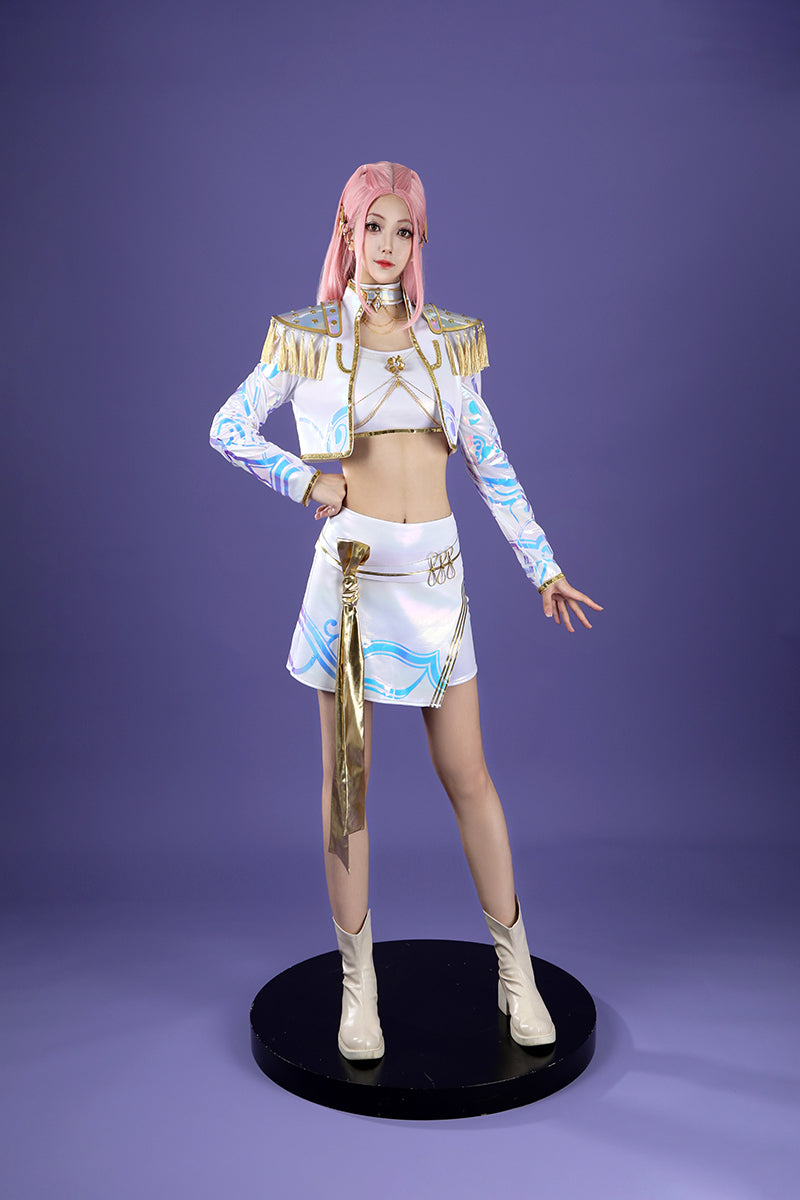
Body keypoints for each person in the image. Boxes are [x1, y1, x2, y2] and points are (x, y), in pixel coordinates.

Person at [210, 161, 602, 1062]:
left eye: (404, 230)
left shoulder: (448, 343)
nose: (387, 245)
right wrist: (302, 479)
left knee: (469, 774)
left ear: (419, 241)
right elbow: (228, 428)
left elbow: (490, 464)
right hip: (348, 585)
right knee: (346, 788)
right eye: (373, 227)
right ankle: (359, 987)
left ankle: (516, 970)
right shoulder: (306, 338)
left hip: (435, 583)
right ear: (345, 232)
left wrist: (542, 566)